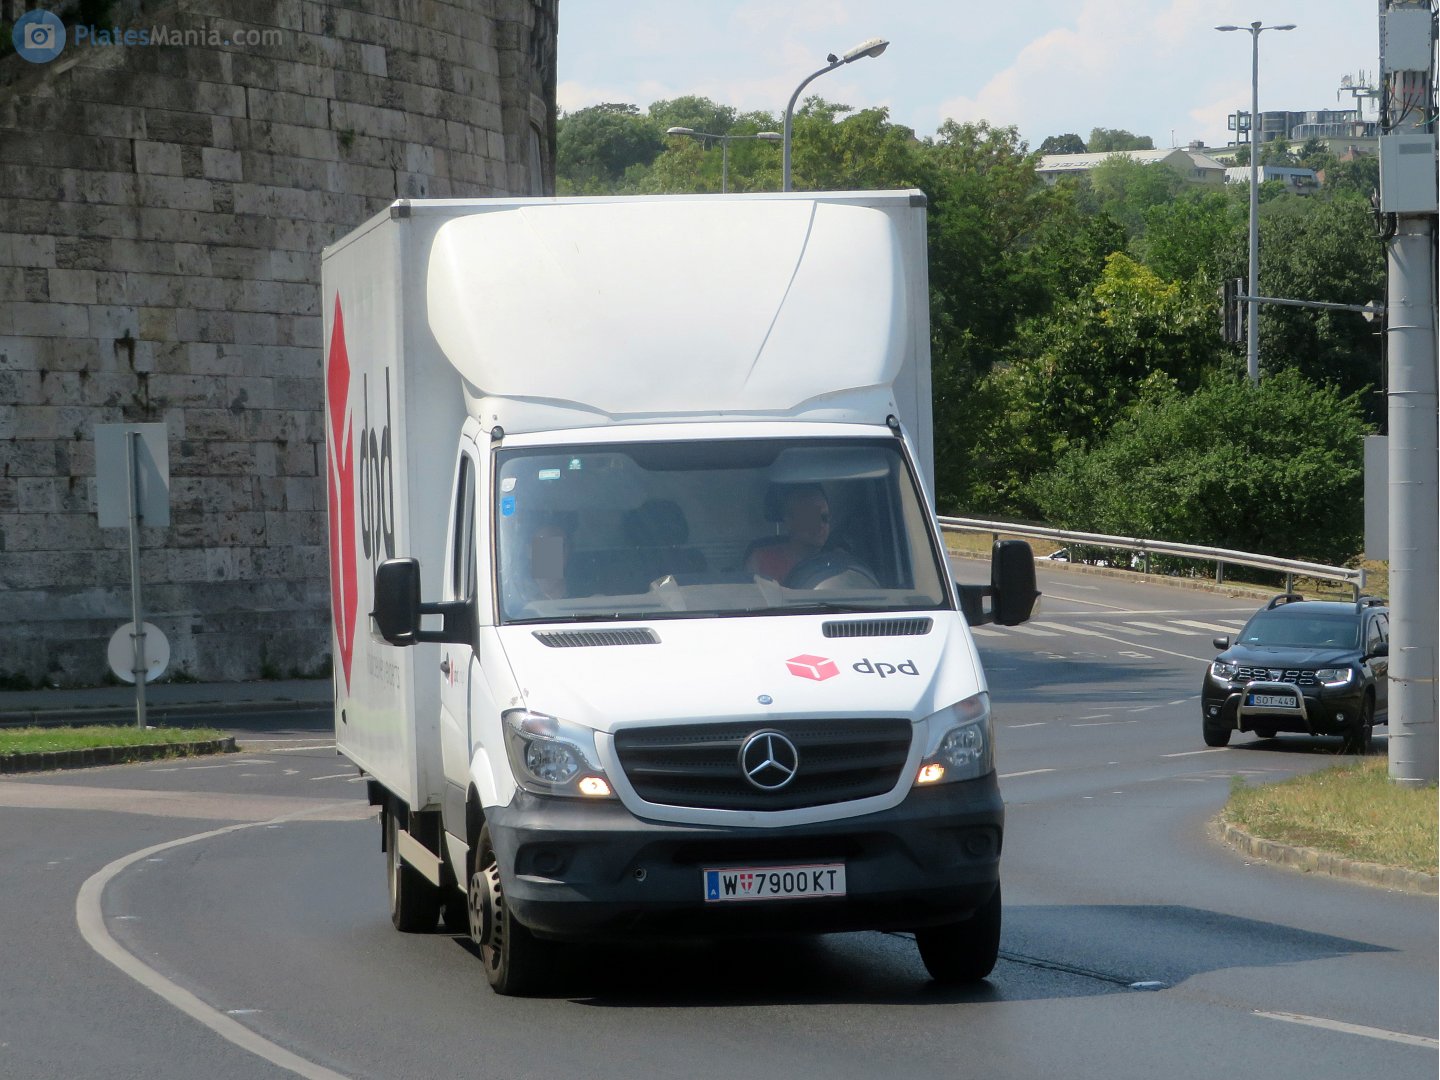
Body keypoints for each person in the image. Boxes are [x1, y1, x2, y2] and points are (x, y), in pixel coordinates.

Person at [745, 484, 830, 583]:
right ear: (789, 522)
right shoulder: (759, 562)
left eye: (825, 518)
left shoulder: (839, 564)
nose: (821, 525)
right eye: (811, 517)